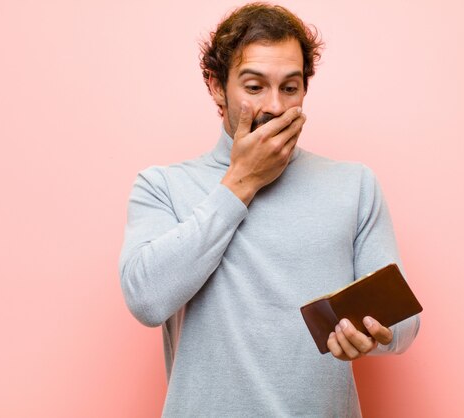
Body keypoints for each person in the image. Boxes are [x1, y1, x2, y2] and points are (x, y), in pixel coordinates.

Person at [119, 3, 420, 416]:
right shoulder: (163, 186)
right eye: (255, 86)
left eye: (290, 88)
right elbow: (146, 300)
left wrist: (375, 335)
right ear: (215, 86)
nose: (275, 107)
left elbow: (404, 323)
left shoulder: (354, 184)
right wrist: (241, 181)